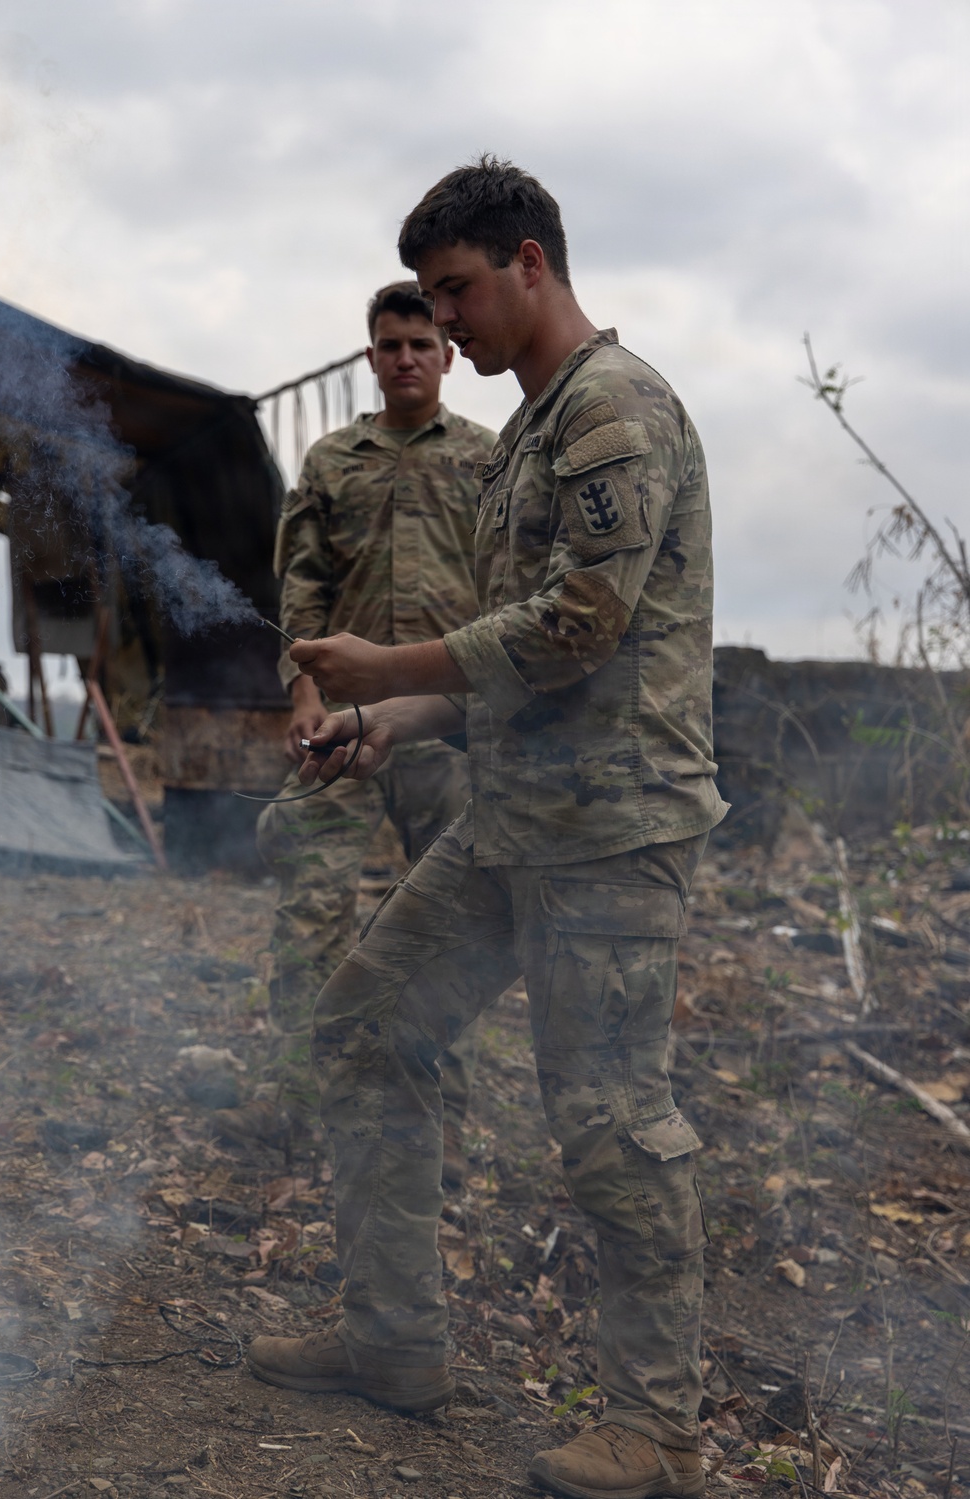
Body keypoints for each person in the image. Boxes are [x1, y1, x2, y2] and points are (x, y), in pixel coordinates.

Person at [246, 159, 727, 1499]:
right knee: (360, 1027)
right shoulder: (529, 428)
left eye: (456, 291)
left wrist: (394, 670)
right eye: (427, 302)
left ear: (531, 261)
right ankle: (393, 1335)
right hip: (510, 820)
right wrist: (393, 728)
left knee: (612, 1123)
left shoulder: (611, 410)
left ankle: (658, 1426)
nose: (444, 323)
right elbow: (512, 667)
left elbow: (580, 628)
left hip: (611, 831)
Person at [219, 282, 496, 1187]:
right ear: (371, 356)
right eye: (390, 345)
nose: (407, 358)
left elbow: (506, 591)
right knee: (312, 904)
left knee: (448, 923)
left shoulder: (490, 461)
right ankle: (297, 1100)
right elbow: (300, 585)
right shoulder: (332, 462)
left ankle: (435, 1111)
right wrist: (302, 687)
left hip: (447, 723)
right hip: (340, 722)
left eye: (422, 342)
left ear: (447, 355)